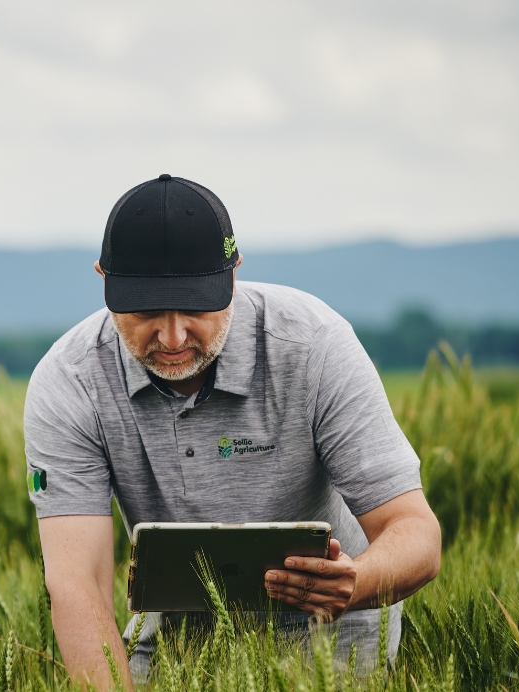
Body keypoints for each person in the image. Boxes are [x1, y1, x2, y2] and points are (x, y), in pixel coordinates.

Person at [24, 174, 441, 689]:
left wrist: (354, 583)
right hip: (171, 654)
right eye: (147, 311)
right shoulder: (69, 381)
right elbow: (77, 583)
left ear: (234, 273)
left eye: (197, 306)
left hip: (333, 648)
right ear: (103, 278)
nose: (173, 336)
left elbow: (416, 533)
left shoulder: (314, 345)